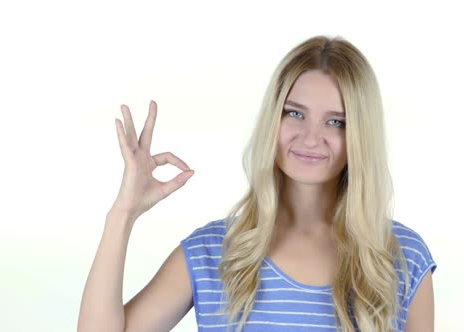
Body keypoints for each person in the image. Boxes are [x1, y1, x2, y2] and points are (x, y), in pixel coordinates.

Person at [78, 35, 437, 332]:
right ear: (272, 120)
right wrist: (122, 214)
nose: (311, 138)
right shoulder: (214, 252)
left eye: (336, 122)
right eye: (294, 113)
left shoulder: (403, 257)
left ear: (361, 134)